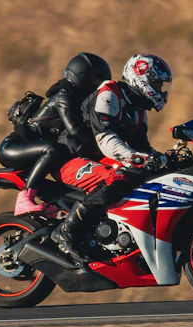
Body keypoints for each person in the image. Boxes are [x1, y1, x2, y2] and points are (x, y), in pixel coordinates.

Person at [49, 53, 174, 262]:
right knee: (116, 178)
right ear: (142, 77)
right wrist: (136, 158)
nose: (160, 90)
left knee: (149, 178)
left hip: (97, 159)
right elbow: (105, 139)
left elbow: (142, 148)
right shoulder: (110, 93)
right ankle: (66, 231)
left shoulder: (138, 112)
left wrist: (164, 159)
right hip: (69, 157)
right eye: (157, 83)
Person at [0, 52, 112, 215]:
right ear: (84, 76)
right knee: (54, 149)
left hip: (36, 149)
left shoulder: (80, 100)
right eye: (99, 81)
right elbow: (75, 129)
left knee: (63, 155)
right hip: (13, 147)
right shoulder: (64, 96)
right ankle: (25, 197)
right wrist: (101, 145)